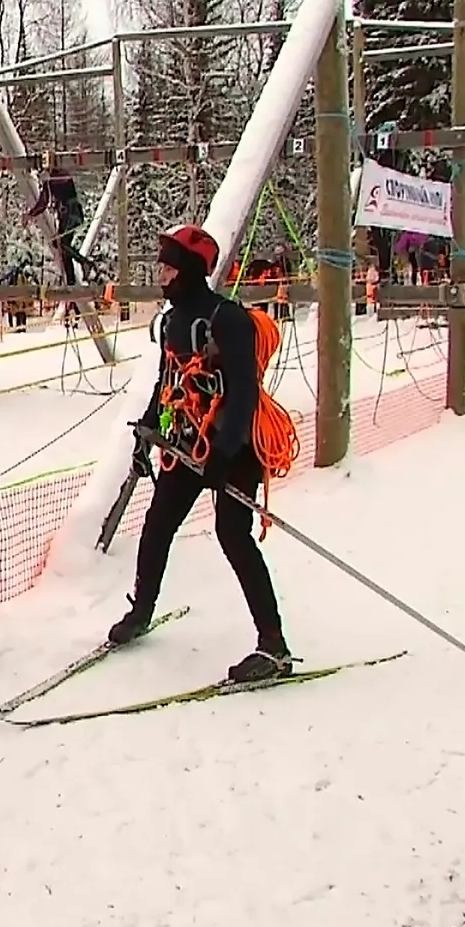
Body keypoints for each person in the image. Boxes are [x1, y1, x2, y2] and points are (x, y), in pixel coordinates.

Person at [105, 225, 295, 683]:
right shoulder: (172, 321)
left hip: (236, 445)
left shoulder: (225, 319)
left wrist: (223, 454)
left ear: (190, 271)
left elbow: (245, 392)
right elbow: (166, 379)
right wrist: (147, 430)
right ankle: (142, 608)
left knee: (233, 534)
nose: (162, 274)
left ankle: (274, 646)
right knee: (158, 523)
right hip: (189, 442)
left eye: (169, 267)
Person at [24, 165, 99, 288]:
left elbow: (43, 202)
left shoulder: (53, 179)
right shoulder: (60, 176)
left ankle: (84, 263)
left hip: (68, 213)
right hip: (72, 213)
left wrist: (30, 214)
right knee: (62, 246)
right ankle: (71, 281)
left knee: (61, 243)